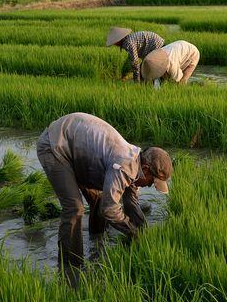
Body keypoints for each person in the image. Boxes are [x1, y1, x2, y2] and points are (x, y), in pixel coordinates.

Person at [37, 112, 173, 267]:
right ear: (146, 169)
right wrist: (132, 231)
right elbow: (109, 210)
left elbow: (130, 204)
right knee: (75, 208)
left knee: (100, 198)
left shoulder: (137, 166)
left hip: (80, 152)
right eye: (152, 182)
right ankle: (71, 267)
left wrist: (143, 232)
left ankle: (95, 243)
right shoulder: (124, 166)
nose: (149, 186)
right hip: (55, 146)